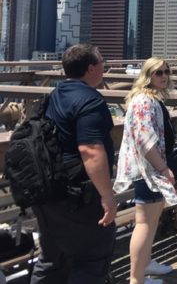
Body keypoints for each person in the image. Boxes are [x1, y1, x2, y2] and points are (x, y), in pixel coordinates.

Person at [31, 44, 116, 284]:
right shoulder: (90, 101)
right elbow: (90, 150)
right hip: (78, 196)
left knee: (51, 260)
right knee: (92, 260)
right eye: (103, 64)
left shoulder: (52, 96)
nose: (105, 69)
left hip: (46, 190)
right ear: (91, 69)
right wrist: (107, 195)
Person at [114, 57, 177, 284]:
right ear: (147, 75)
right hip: (149, 171)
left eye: (166, 72)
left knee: (151, 221)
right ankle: (137, 279)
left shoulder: (151, 99)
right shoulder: (144, 101)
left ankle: (146, 264)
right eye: (157, 73)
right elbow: (144, 141)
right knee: (144, 222)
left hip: (154, 169)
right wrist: (163, 168)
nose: (163, 76)